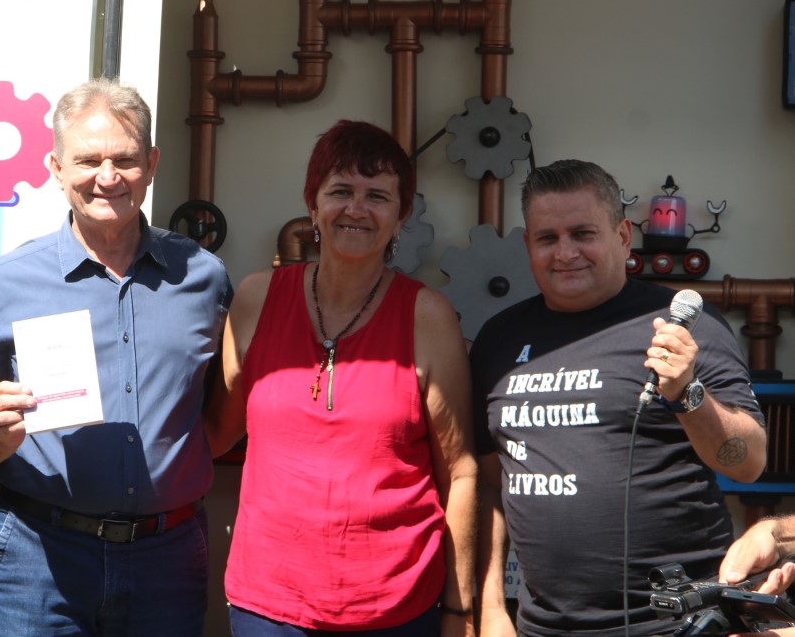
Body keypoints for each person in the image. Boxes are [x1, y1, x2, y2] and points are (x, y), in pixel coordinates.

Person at [0, 78, 232, 636]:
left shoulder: (203, 278)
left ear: (151, 163)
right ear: (54, 167)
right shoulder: (5, 285)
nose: (107, 178)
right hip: (38, 556)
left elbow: (222, 408)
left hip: (166, 559)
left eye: (124, 160)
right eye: (88, 160)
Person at [204, 119, 477, 636]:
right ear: (312, 206)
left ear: (400, 218)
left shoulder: (427, 317)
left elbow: (460, 474)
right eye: (340, 191)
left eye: (378, 196)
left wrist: (458, 611)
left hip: (396, 607)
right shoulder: (257, 298)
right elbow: (217, 432)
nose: (356, 208)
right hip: (268, 606)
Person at [472, 159, 768, 636]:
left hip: (673, 623)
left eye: (583, 233)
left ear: (623, 236)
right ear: (528, 245)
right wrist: (488, 611)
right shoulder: (498, 339)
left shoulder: (684, 326)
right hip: (541, 627)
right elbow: (490, 489)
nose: (565, 252)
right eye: (548, 238)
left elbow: (748, 463)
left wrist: (688, 394)